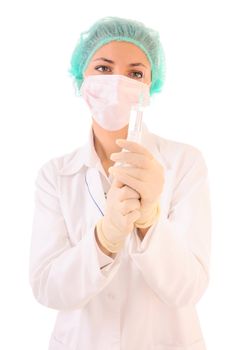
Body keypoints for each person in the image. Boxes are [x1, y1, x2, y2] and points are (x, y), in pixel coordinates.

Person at [29, 16, 212, 350]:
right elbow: (46, 287)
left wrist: (149, 221)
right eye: (103, 68)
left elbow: (189, 288)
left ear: (150, 86)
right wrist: (104, 238)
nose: (117, 82)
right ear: (80, 77)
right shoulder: (55, 175)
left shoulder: (185, 163)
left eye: (135, 73)